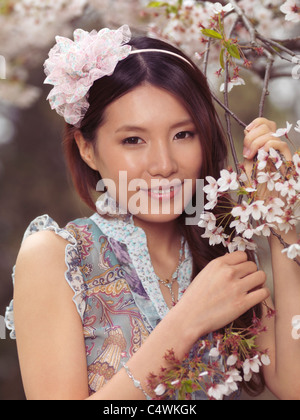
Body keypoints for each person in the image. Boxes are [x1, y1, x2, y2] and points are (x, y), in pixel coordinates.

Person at [5, 25, 300, 400]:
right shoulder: (59, 257)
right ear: (87, 148)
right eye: (133, 140)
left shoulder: (224, 250)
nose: (163, 164)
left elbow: (294, 385)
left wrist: (282, 219)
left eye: (183, 135)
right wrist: (185, 323)